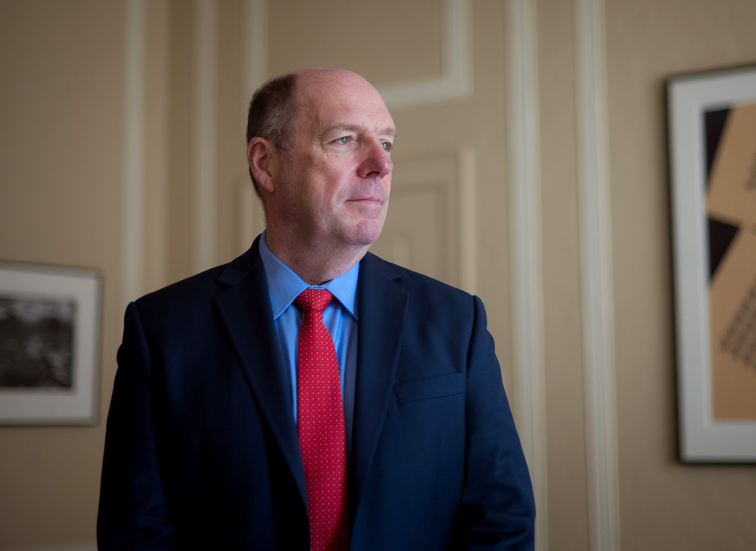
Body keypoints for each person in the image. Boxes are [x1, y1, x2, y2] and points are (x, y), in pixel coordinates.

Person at [97, 68, 535, 550]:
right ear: (266, 164)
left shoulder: (457, 322)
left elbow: (502, 518)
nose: (381, 165)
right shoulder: (162, 331)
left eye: (386, 143)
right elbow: (137, 534)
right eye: (345, 139)